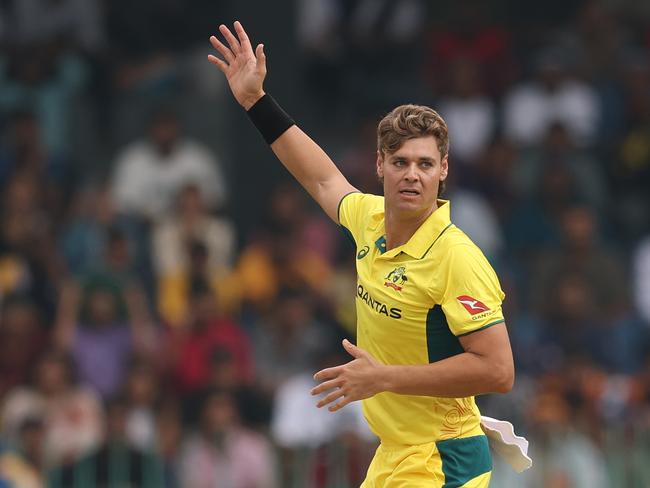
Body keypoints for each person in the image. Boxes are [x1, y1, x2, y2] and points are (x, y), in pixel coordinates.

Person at [209, 21, 516, 487]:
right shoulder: (369, 219)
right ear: (380, 165)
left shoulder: (457, 257)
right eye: (401, 162)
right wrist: (255, 102)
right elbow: (321, 179)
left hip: (443, 459)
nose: (412, 175)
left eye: (425, 164)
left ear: (443, 171)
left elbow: (498, 370)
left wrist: (385, 377)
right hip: (396, 454)